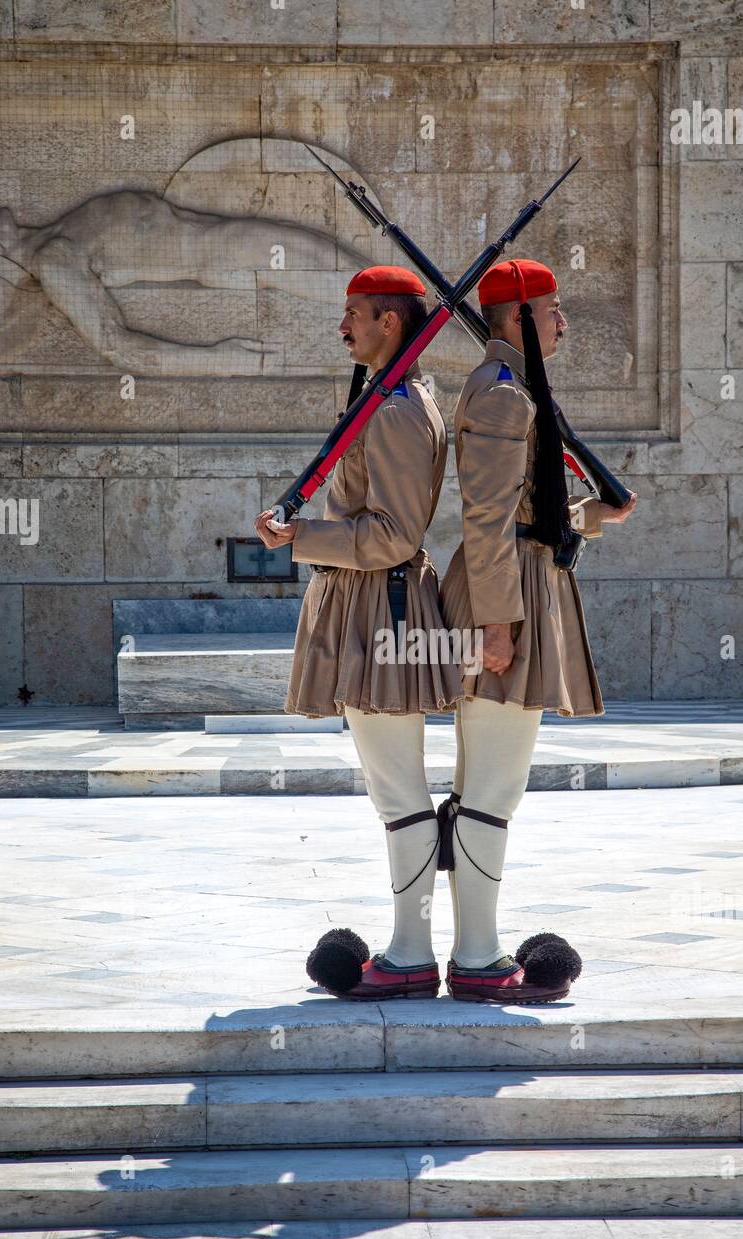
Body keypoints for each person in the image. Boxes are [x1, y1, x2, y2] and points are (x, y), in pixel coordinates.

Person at [255, 265, 462, 1001]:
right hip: (376, 604)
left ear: (392, 324)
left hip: (385, 607)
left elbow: (395, 536)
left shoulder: (400, 410)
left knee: (398, 790)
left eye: (356, 315)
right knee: (394, 787)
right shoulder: (387, 396)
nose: (342, 327)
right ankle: (418, 947)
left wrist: (301, 536)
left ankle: (410, 955)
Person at [438, 257, 638, 1003]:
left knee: (492, 779)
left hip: (517, 586)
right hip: (506, 598)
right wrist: (496, 623)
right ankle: (480, 960)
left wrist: (591, 515)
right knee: (493, 782)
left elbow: (529, 513)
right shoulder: (500, 397)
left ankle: (472, 949)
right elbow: (486, 520)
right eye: (553, 310)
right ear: (519, 318)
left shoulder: (514, 391)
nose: (563, 322)